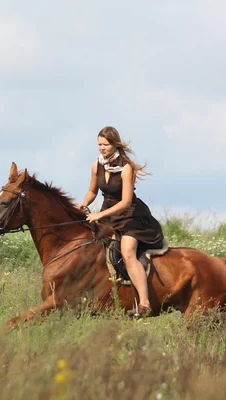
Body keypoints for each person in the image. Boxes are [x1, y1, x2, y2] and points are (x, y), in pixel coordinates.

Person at [77, 126, 164, 318]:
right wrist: (83, 204)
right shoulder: (96, 165)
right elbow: (92, 191)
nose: (101, 148)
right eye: (99, 144)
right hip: (108, 215)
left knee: (127, 253)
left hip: (131, 216)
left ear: (115, 144)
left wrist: (99, 216)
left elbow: (125, 202)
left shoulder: (126, 168)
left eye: (105, 144)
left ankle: (144, 303)